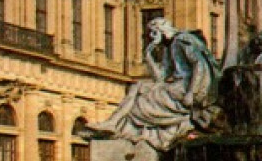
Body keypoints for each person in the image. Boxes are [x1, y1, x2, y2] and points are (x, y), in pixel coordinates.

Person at [85, 18, 218, 151]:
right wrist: (148, 53)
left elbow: (200, 65)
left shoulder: (183, 40)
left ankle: (114, 124)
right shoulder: (169, 47)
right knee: (137, 86)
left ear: (161, 30)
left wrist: (192, 93)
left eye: (153, 33)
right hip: (175, 87)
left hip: (186, 88)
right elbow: (160, 77)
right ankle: (112, 123)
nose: (151, 36)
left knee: (139, 104)